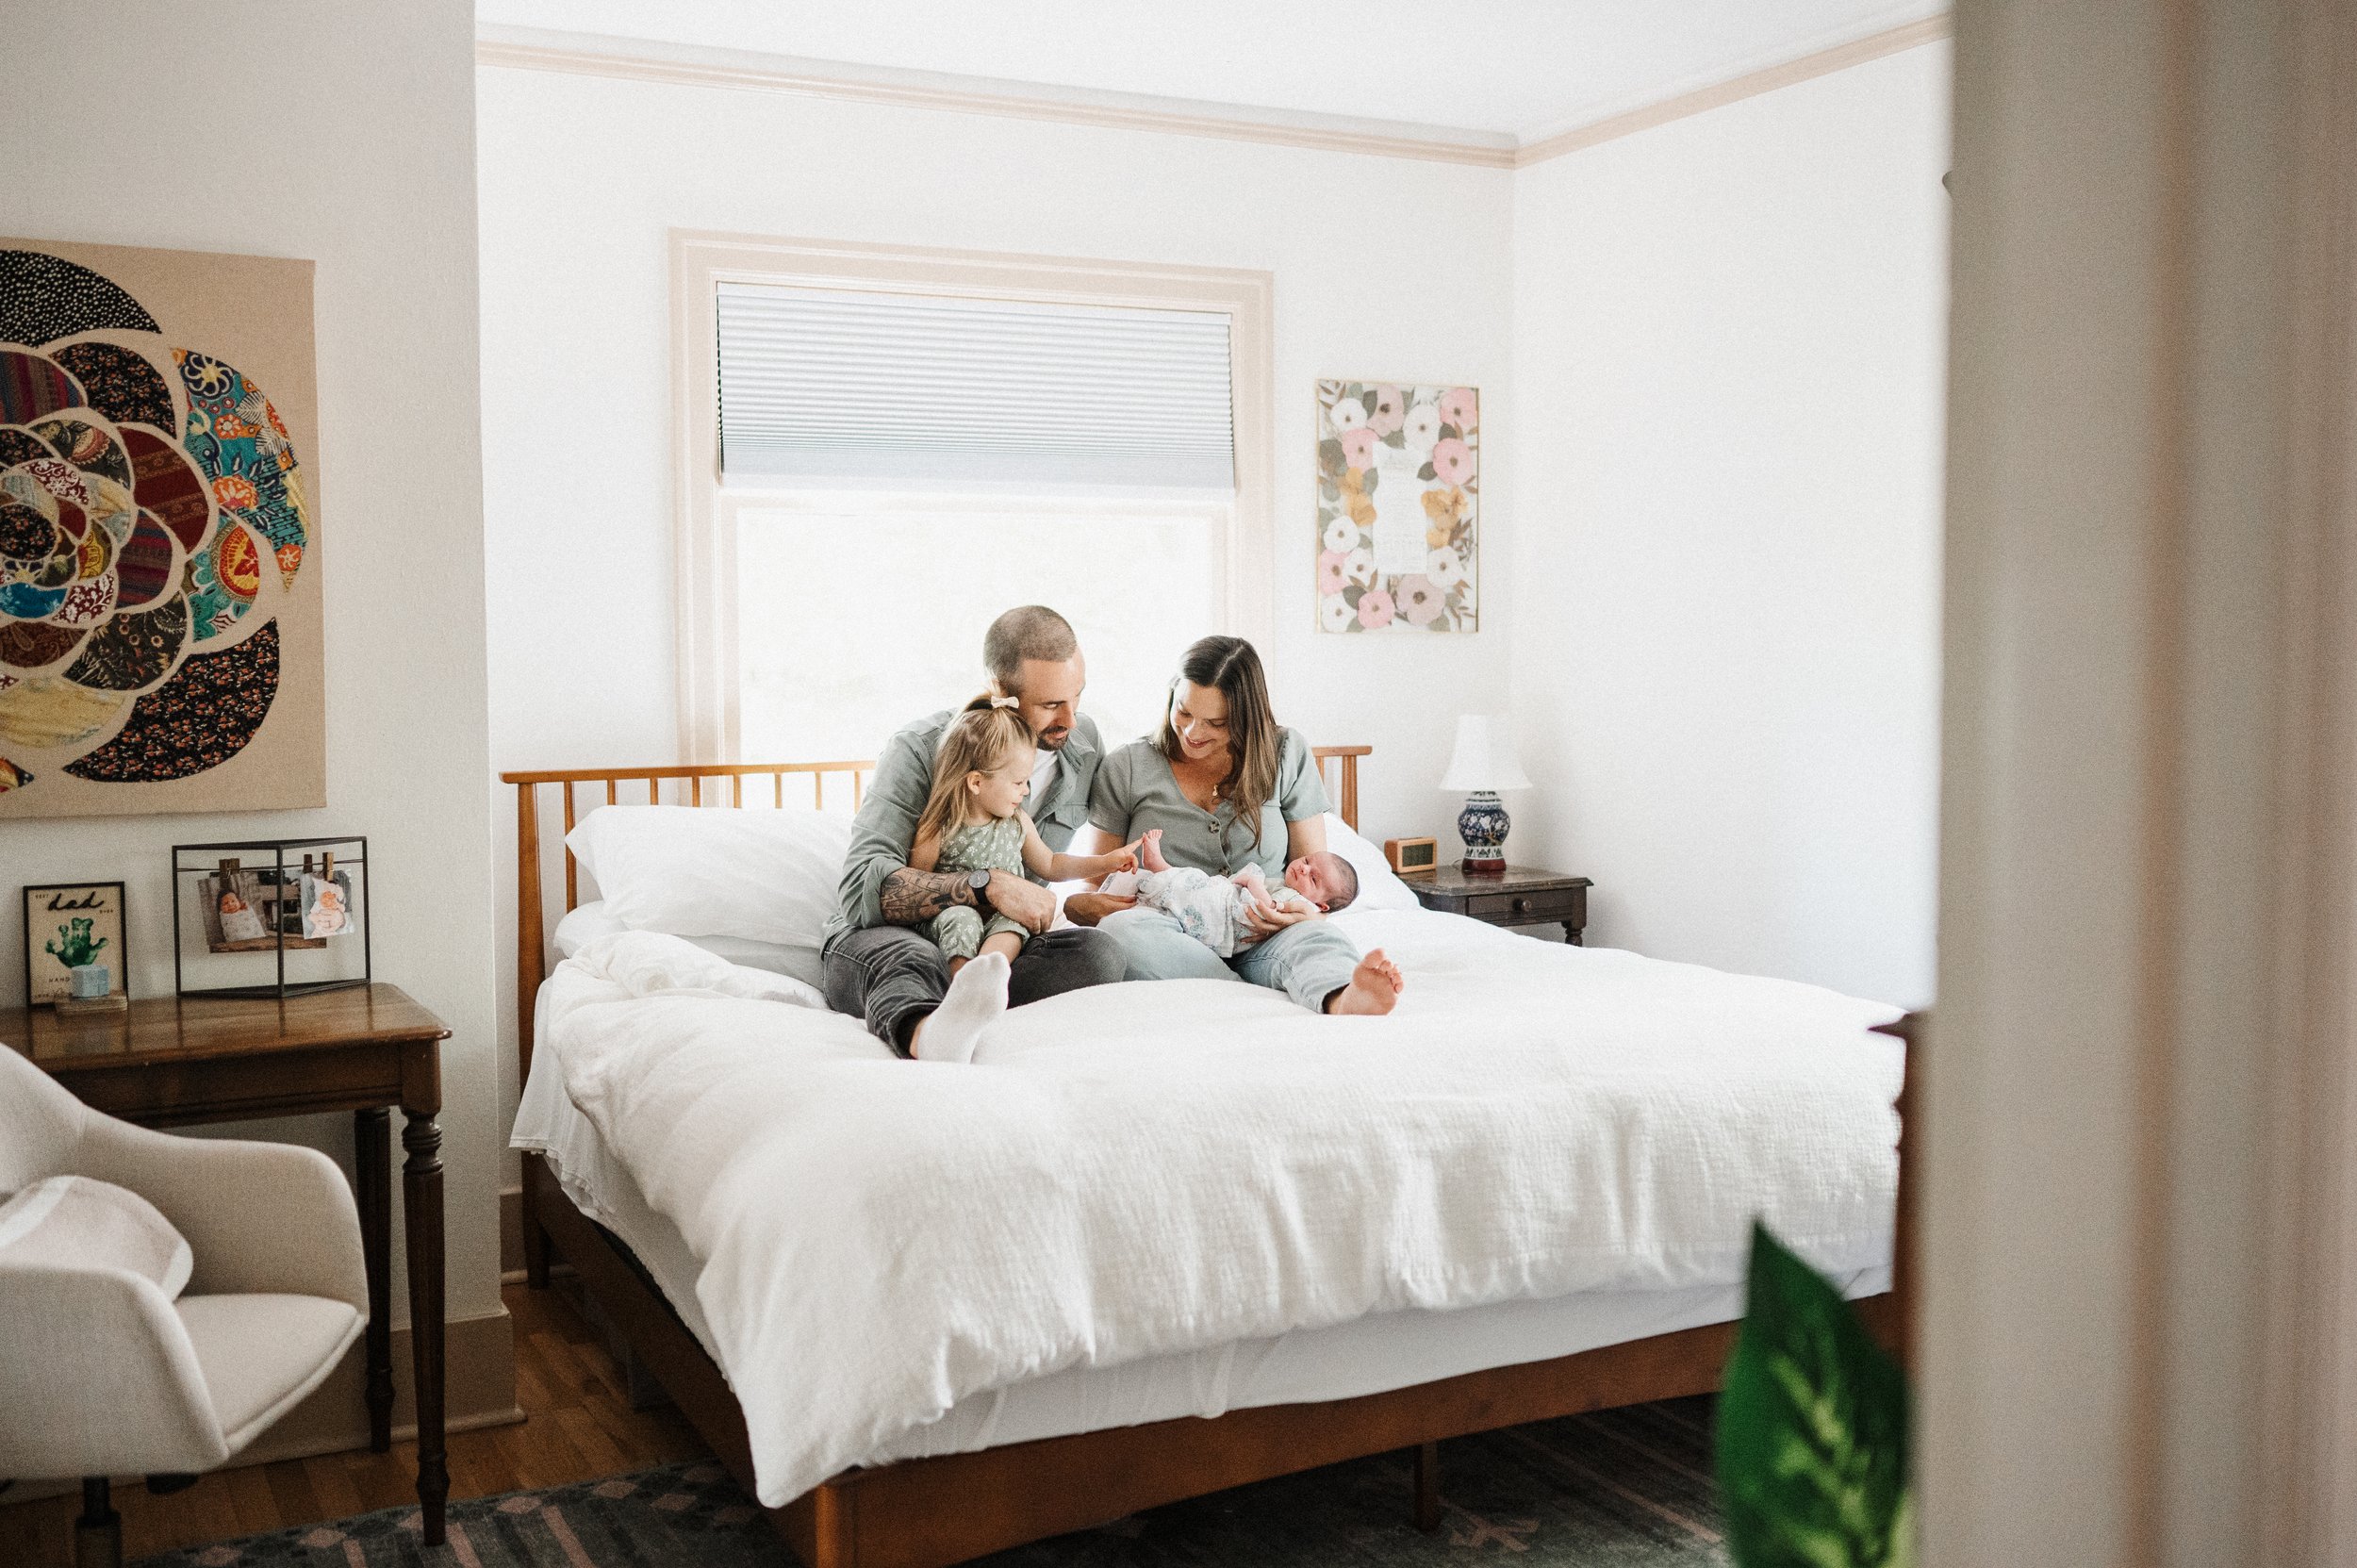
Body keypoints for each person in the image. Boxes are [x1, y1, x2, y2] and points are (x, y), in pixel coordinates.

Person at [820, 606, 1135, 1060]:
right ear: (1001, 692)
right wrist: (988, 887)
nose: (1070, 718)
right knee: (915, 959)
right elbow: (860, 890)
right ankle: (927, 1032)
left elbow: (1049, 862)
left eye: (1077, 697)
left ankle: (972, 996)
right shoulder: (920, 748)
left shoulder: (1081, 746)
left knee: (1100, 955)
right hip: (902, 935)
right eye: (1050, 705)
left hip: (997, 944)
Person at [1073, 635, 1404, 1015]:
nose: (1193, 733)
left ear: (1248, 716)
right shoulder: (1127, 767)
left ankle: (1341, 996)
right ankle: (1241, 992)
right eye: (1183, 712)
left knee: (1316, 937)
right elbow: (1094, 884)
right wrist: (1095, 905)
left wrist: (1308, 916)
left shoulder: (1285, 753)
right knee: (1121, 933)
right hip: (1172, 934)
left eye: (1217, 722)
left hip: (1264, 935)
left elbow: (1315, 871)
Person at [909, 695, 1139, 988]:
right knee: (962, 919)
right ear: (976, 782)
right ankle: (959, 985)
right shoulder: (940, 826)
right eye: (1018, 782)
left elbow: (1052, 864)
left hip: (1002, 918)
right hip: (953, 918)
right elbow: (919, 887)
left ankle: (985, 981)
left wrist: (1106, 862)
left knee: (1013, 926)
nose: (1026, 790)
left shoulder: (1016, 820)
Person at [1109, 827, 1357, 960]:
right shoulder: (1289, 887)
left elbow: (1268, 910)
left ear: (1322, 906)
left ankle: (1161, 870)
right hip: (1224, 906)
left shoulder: (1299, 902)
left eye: (1313, 878)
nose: (1303, 868)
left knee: (1197, 888)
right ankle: (1162, 870)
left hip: (1229, 920)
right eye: (1306, 860)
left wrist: (1253, 881)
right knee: (1197, 883)